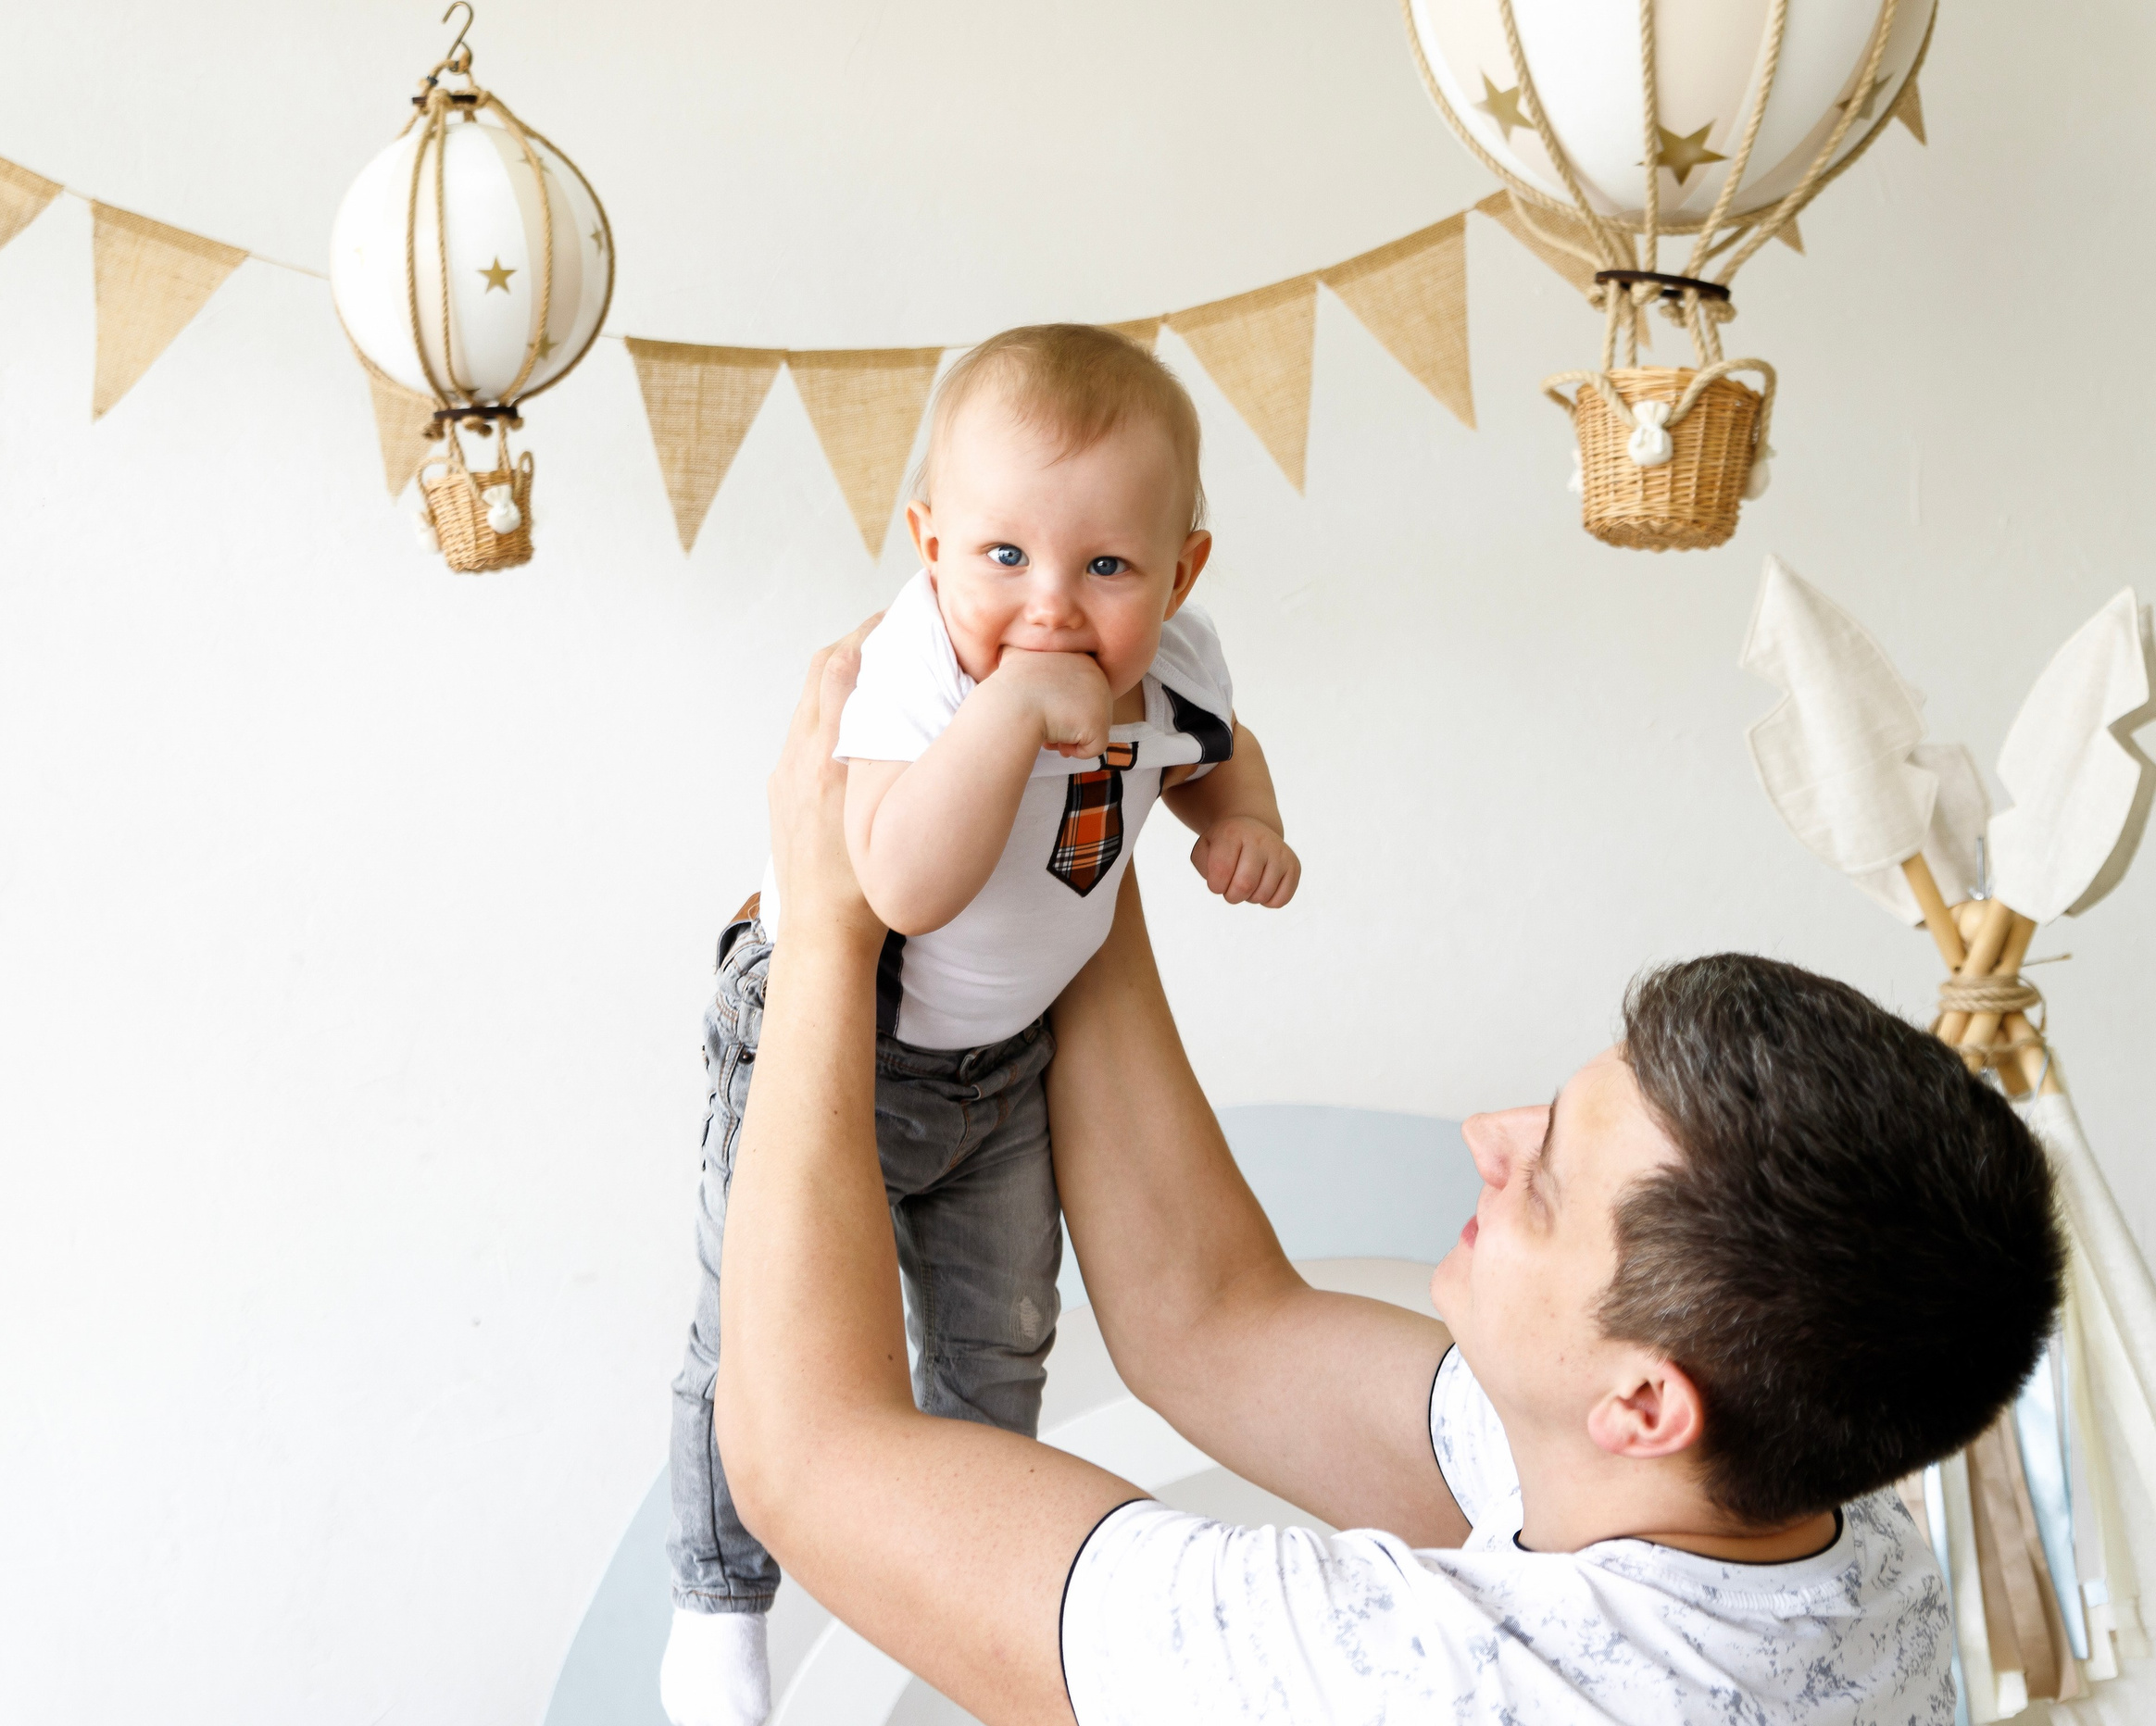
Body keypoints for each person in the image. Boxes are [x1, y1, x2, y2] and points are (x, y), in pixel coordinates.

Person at [710, 630, 2066, 1724]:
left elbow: (807, 1457)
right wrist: (1085, 803)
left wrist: (825, 933)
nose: (1489, 1134)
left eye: (1542, 1180)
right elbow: (1218, 1321)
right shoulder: (1830, 1538)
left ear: (1646, 1401)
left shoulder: (1401, 1682)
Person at [661, 326, 1301, 1726]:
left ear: (1182, 573)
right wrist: (1011, 715)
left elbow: (1211, 744)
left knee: (1002, 1334)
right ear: (931, 541)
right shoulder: (923, 671)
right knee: (756, 1340)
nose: (1051, 607)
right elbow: (896, 879)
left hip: (1006, 1065)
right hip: (828, 1030)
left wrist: (1239, 820)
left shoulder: (1179, 662)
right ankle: (718, 1600)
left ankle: (953, 1587)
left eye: (1107, 568)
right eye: (1003, 559)